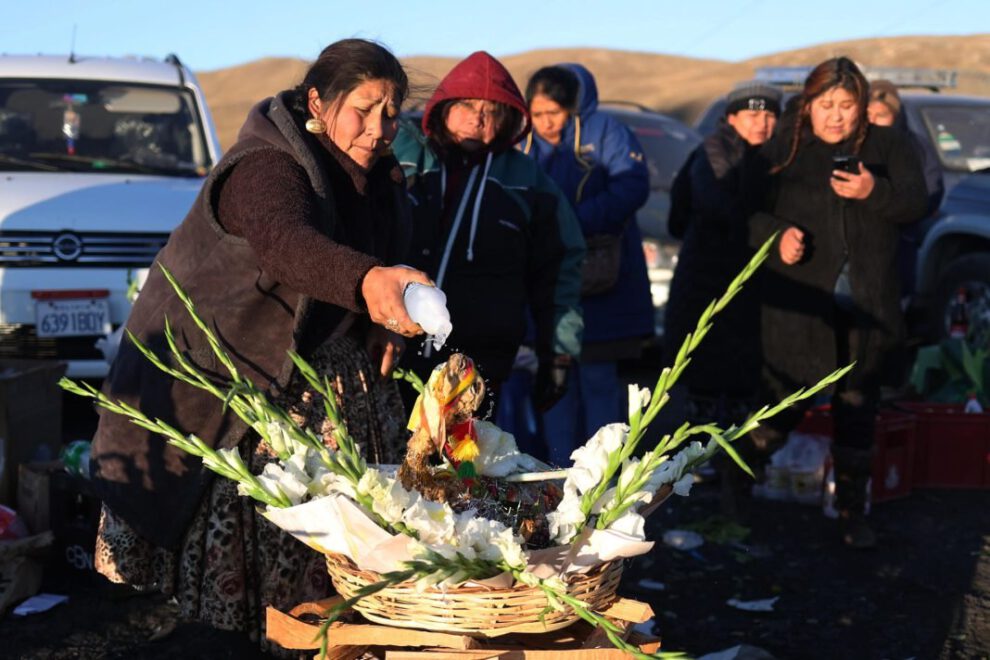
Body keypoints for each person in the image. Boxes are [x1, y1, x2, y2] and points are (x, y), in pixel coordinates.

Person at [88, 39, 432, 649]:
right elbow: (288, 244)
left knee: (348, 564)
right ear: (317, 104)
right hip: (242, 385)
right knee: (257, 575)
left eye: (391, 111)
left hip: (336, 386)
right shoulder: (264, 168)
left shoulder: (377, 180)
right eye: (364, 108)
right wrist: (366, 281)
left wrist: (376, 315)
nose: (379, 129)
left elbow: (372, 250)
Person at [748, 57, 928, 548]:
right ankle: (736, 490)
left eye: (846, 105)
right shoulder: (785, 149)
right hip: (800, 305)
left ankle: (851, 510)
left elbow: (919, 200)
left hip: (867, 303)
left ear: (862, 106)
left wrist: (876, 190)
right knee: (781, 402)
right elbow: (746, 213)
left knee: (857, 403)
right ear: (807, 106)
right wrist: (775, 234)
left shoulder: (889, 145)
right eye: (825, 105)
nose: (836, 116)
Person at [392, 51, 585, 416]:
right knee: (384, 465)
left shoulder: (528, 182)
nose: (478, 118)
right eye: (466, 104)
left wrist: (558, 356)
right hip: (394, 346)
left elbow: (561, 268)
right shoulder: (401, 155)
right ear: (444, 107)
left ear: (509, 117)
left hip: (478, 364)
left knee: (464, 467)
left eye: (492, 109)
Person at [518, 64, 653, 465]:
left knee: (597, 380)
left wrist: (573, 220)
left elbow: (632, 184)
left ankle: (600, 476)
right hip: (547, 284)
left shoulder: (607, 132)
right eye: (537, 115)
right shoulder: (524, 143)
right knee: (554, 380)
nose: (546, 124)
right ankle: (557, 473)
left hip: (600, 282)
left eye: (554, 114)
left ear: (573, 108)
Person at [665, 81, 781, 425]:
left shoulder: (772, 155)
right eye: (752, 113)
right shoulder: (715, 153)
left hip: (744, 290)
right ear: (731, 118)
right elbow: (717, 207)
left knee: (740, 386)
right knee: (707, 383)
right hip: (708, 284)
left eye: (769, 114)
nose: (761, 122)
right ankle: (701, 467)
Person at [867, 79, 945, 306]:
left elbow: (932, 188)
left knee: (896, 302)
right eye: (867, 114)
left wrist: (911, 213)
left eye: (881, 115)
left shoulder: (915, 146)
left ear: (896, 115)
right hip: (860, 243)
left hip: (901, 239)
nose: (873, 121)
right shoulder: (855, 145)